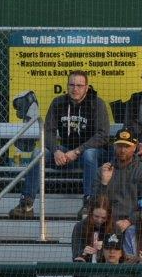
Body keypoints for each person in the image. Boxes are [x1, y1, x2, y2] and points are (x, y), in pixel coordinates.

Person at [9, 70, 109, 219]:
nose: (75, 89)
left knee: (89, 154)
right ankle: (26, 204)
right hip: (64, 153)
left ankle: (90, 204)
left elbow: (102, 135)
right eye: (72, 85)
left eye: (79, 85)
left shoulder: (97, 104)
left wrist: (77, 151)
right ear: (67, 86)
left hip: (92, 155)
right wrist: (56, 151)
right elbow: (48, 131)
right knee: (38, 153)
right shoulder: (58, 102)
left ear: (87, 88)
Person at [94, 129, 142, 235]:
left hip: (134, 223)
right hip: (105, 221)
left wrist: (129, 221)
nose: (122, 150)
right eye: (119, 146)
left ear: (134, 147)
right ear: (114, 146)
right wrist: (104, 183)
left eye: (127, 146)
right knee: (80, 226)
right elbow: (94, 203)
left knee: (130, 231)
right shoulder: (102, 170)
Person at [71, 195, 115, 277]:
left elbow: (118, 255)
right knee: (78, 268)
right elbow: (76, 255)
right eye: (96, 216)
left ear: (108, 216)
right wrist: (84, 252)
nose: (99, 220)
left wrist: (105, 247)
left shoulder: (113, 228)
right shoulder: (79, 227)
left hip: (106, 268)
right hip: (86, 270)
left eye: (103, 218)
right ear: (91, 213)